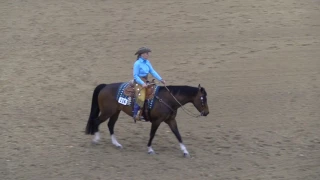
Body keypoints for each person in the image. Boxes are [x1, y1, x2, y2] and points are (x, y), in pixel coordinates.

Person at [132, 47, 166, 121]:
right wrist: (142, 83)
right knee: (141, 96)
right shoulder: (137, 63)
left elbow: (152, 71)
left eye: (148, 53)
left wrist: (161, 79)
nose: (148, 55)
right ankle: (135, 114)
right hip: (139, 81)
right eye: (146, 53)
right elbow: (135, 76)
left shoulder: (147, 62)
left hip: (145, 80)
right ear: (142, 54)